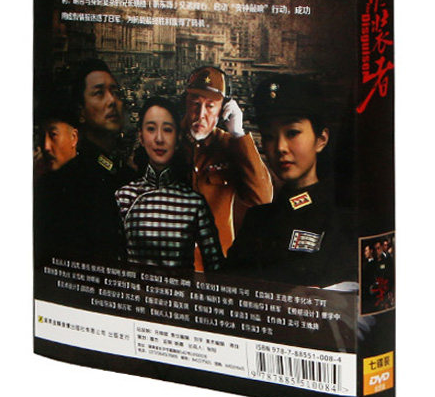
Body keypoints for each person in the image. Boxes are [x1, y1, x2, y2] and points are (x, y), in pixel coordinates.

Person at [224, 75, 355, 287]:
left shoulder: (343, 220)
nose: (280, 147)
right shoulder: (257, 220)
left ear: (321, 139)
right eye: (269, 136)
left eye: (292, 133)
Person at [180, 66, 272, 270]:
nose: (201, 114)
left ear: (223, 109)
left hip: (216, 267)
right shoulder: (167, 141)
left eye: (210, 106)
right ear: (185, 102)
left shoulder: (231, 146)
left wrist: (238, 134)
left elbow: (262, 199)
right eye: (195, 104)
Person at [115, 97, 223, 271]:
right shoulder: (124, 197)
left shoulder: (194, 203)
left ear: (178, 138)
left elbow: (216, 267)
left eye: (167, 130)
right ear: (141, 137)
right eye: (151, 129)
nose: (159, 139)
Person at [33, 89, 127, 268]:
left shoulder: (93, 184)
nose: (45, 146)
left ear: (74, 137)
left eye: (53, 135)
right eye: (41, 136)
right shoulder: (43, 181)